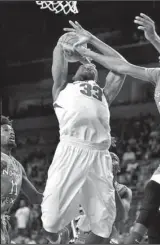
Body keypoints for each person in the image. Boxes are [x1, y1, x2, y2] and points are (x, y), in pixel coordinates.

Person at [71, 13, 160, 244]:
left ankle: (133, 239)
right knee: (158, 204)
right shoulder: (158, 76)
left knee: (153, 186)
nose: (159, 56)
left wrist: (154, 37)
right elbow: (122, 66)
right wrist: (90, 48)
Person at [41, 25, 126, 244]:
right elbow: (59, 51)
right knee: (50, 222)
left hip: (99, 156)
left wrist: (92, 42)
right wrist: (72, 51)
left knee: (104, 226)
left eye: (93, 68)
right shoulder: (62, 89)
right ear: (75, 72)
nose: (88, 68)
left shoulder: (104, 94)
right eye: (82, 67)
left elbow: (121, 67)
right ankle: (61, 237)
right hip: (71, 150)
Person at [1, 115, 43, 244]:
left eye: (12, 130)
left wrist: (60, 198)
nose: (11, 132)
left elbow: (35, 197)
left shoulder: (18, 166)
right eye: (6, 130)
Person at [75, 152, 132, 244]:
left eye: (113, 159)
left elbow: (121, 216)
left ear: (118, 169)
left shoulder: (124, 190)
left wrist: (111, 184)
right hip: (82, 237)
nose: (110, 161)